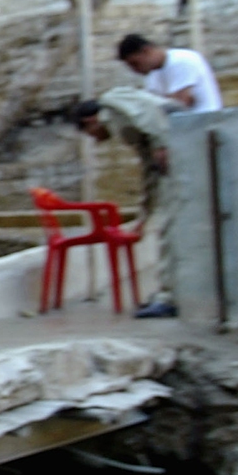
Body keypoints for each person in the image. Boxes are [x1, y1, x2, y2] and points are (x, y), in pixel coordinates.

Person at [72, 86, 176, 318]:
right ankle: (170, 292)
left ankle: (169, 297)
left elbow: (150, 113)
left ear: (90, 121)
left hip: (178, 151)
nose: (96, 140)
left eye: (91, 134)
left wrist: (161, 143)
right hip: (170, 164)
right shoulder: (128, 127)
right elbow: (150, 171)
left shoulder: (112, 102)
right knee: (171, 229)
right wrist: (143, 217)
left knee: (169, 230)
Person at [116, 33, 222, 113]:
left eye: (135, 64)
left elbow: (180, 105)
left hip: (205, 122)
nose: (134, 70)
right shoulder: (152, 74)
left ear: (146, 51)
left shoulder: (182, 60)